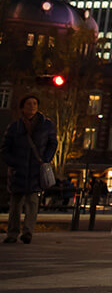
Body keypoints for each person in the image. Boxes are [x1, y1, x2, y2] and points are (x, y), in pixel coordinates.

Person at [2, 94, 58, 244]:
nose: (32, 106)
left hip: (35, 169)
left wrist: (46, 159)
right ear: (23, 107)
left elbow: (53, 143)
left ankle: (28, 231)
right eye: (29, 104)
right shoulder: (15, 126)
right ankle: (12, 233)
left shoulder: (46, 125)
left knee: (32, 202)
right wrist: (13, 162)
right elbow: (5, 147)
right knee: (15, 204)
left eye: (34, 103)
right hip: (18, 170)